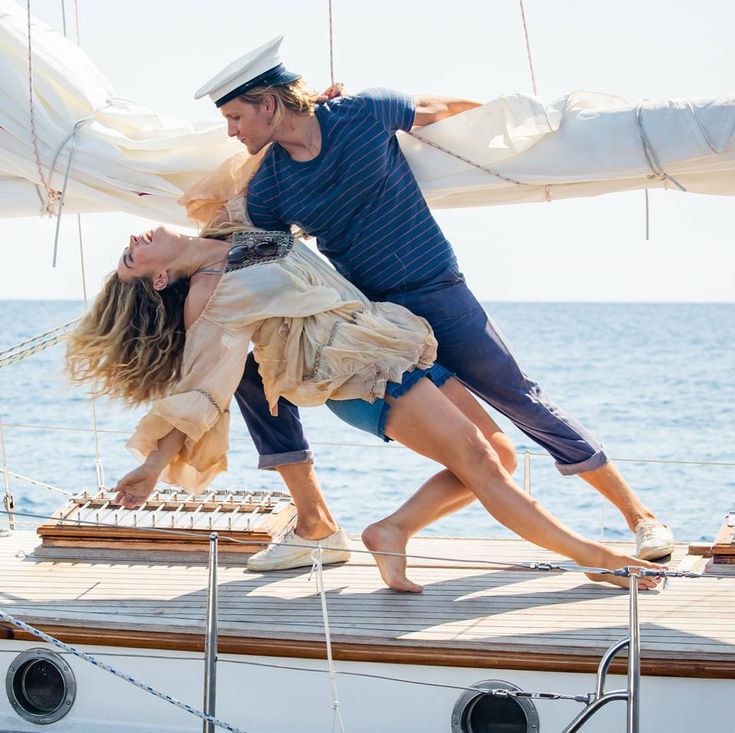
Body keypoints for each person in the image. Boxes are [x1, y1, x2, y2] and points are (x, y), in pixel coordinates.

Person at [188, 36, 674, 572]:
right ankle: (352, 527)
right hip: (379, 323)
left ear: (270, 104)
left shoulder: (362, 111)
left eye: (235, 116)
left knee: (520, 401)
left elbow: (451, 114)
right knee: (485, 451)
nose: (231, 132)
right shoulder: (270, 189)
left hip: (439, 292)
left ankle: (640, 518)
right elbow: (272, 261)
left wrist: (530, 130)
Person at [66, 222, 663, 592]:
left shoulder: (232, 223)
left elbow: (248, 153)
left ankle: (391, 529)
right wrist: (155, 462)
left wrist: (314, 105)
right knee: (481, 461)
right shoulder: (208, 299)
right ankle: (594, 557)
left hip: (395, 341)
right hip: (359, 377)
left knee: (499, 455)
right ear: (159, 279)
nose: (133, 242)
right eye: (129, 259)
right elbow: (204, 389)